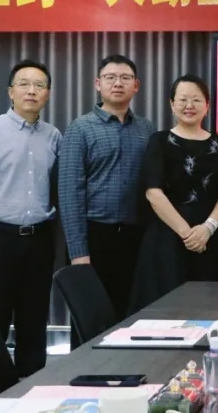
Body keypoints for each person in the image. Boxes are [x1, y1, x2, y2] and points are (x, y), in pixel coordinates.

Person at [0, 60, 61, 377]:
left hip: (40, 240)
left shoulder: (53, 136)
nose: (32, 91)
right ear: (10, 91)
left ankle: (30, 389)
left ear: (47, 94)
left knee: (34, 322)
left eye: (39, 85)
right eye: (24, 84)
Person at [58, 55, 154, 327]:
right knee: (91, 321)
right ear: (98, 84)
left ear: (136, 85)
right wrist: (78, 252)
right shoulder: (80, 128)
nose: (117, 83)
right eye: (110, 78)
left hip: (135, 238)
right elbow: (69, 193)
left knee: (132, 320)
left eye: (125, 78)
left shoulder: (147, 129)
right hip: (94, 237)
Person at [130, 75, 218, 311]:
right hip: (167, 240)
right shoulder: (159, 141)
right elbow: (153, 192)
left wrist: (207, 229)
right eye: (183, 99)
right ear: (172, 104)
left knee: (211, 311)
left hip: (207, 240)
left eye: (196, 100)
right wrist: (187, 234)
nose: (189, 105)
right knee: (165, 314)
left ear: (207, 105)